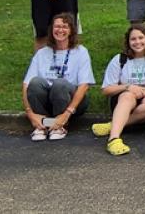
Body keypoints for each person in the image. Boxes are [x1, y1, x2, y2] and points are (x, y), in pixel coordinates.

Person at [93, 25, 145, 156]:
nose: (137, 42)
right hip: (123, 101)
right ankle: (113, 139)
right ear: (128, 42)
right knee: (127, 96)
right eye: (133, 39)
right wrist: (127, 87)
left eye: (141, 38)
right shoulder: (120, 59)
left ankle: (113, 125)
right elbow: (106, 90)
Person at [22, 13, 94, 141]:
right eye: (57, 26)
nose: (60, 30)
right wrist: (30, 113)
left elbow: (84, 85)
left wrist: (67, 113)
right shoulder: (42, 53)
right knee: (35, 83)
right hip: (48, 100)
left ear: (71, 31)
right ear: (51, 29)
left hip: (71, 102)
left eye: (65, 27)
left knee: (60, 83)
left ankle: (59, 126)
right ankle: (41, 126)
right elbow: (26, 84)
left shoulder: (81, 51)